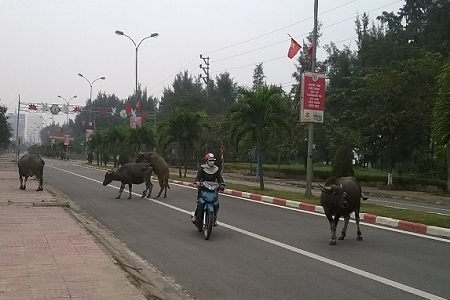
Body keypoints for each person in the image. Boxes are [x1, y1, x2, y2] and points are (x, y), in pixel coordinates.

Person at [191, 153, 225, 226]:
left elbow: (220, 179)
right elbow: (198, 177)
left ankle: (214, 218)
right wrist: (197, 182)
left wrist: (222, 185)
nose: (212, 162)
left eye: (213, 160)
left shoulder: (216, 169)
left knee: (216, 203)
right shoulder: (202, 168)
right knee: (200, 201)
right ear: (207, 161)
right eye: (210, 160)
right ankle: (195, 215)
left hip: (213, 189)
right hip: (203, 188)